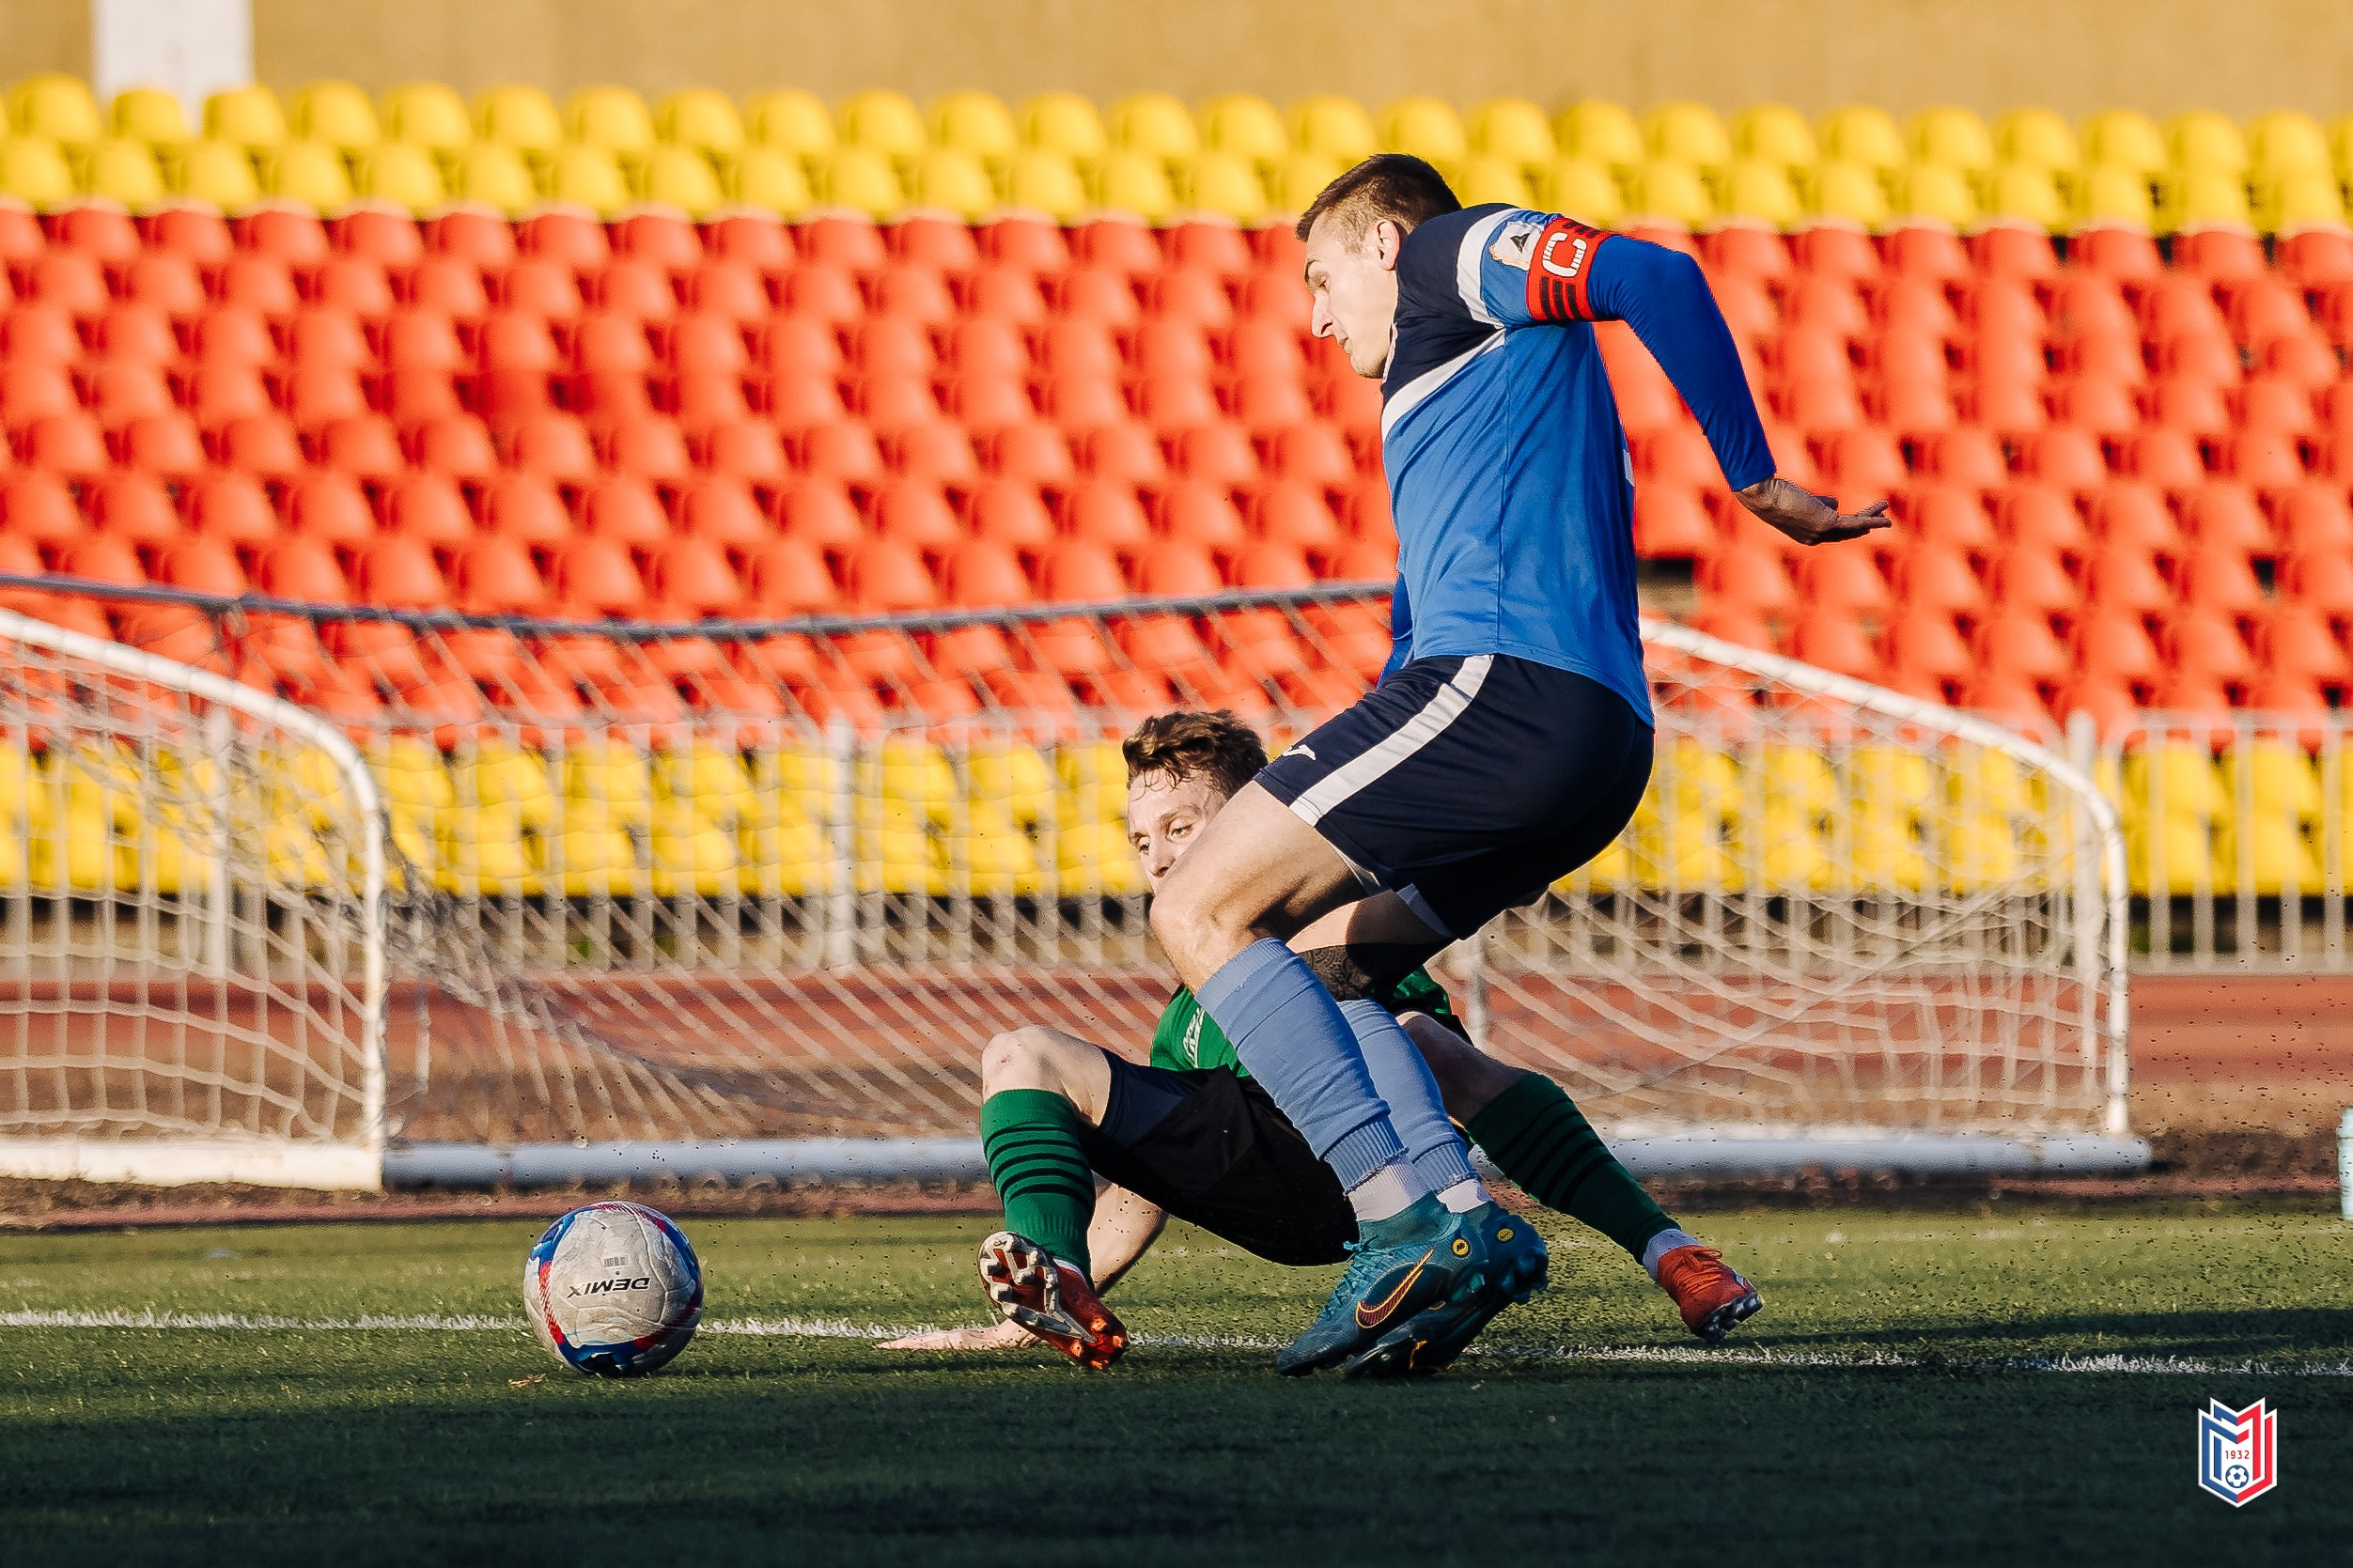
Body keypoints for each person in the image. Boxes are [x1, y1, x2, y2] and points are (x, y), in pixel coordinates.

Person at [1135, 155, 1890, 1375]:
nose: (1316, 316)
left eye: (1321, 277)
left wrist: (1755, 480)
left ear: (1381, 244)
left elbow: (1654, 272)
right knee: (1329, 969)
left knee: (1197, 907)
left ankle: (1401, 1227)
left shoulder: (1444, 265)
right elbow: (1415, 616)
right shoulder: (1453, 390)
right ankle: (1465, 1242)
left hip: (1505, 701)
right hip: (1591, 749)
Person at [881, 709, 1760, 1373]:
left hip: (1377, 1178)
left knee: (1410, 1029)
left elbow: (1461, 1076)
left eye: (1183, 828)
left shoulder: (1335, 945)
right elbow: (1148, 1190)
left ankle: (1665, 1254)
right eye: (1142, 837)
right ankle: (1056, 1276)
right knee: (1020, 1051)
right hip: (1273, 1195)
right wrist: (1045, 1303)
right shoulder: (1188, 1006)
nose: (1156, 856)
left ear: (1251, 826)